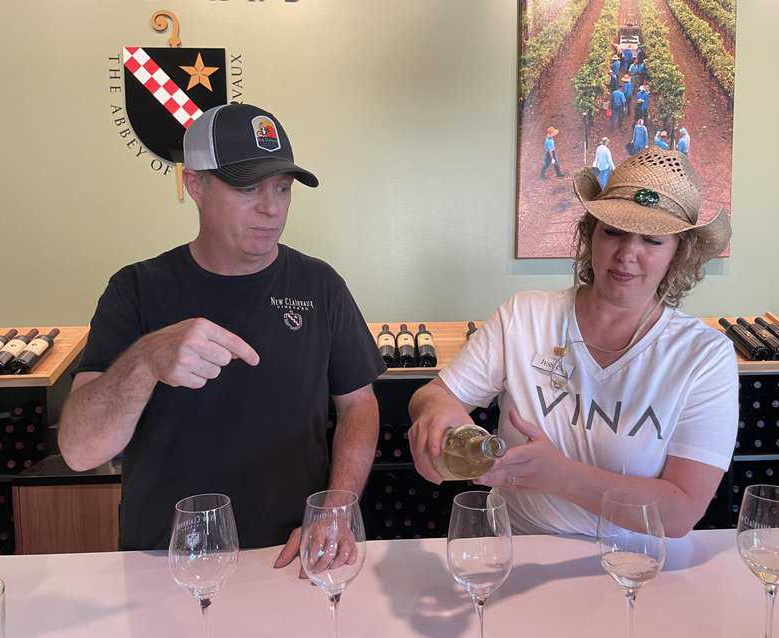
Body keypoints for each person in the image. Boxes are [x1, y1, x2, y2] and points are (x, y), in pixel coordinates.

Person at [58, 103, 385, 558]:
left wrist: (336, 509)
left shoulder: (320, 285)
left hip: (291, 556)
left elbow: (359, 406)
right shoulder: (136, 289)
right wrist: (148, 359)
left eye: (283, 188)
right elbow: (79, 450)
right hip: (168, 562)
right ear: (195, 184)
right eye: (248, 188)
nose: (271, 208)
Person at [408, 148, 736, 539]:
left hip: (637, 569)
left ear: (679, 254)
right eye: (613, 231)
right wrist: (437, 413)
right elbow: (435, 395)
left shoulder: (704, 356)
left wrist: (559, 475)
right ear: (589, 234)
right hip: (518, 553)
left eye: (651, 240)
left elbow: (679, 512)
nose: (627, 254)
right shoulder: (525, 315)